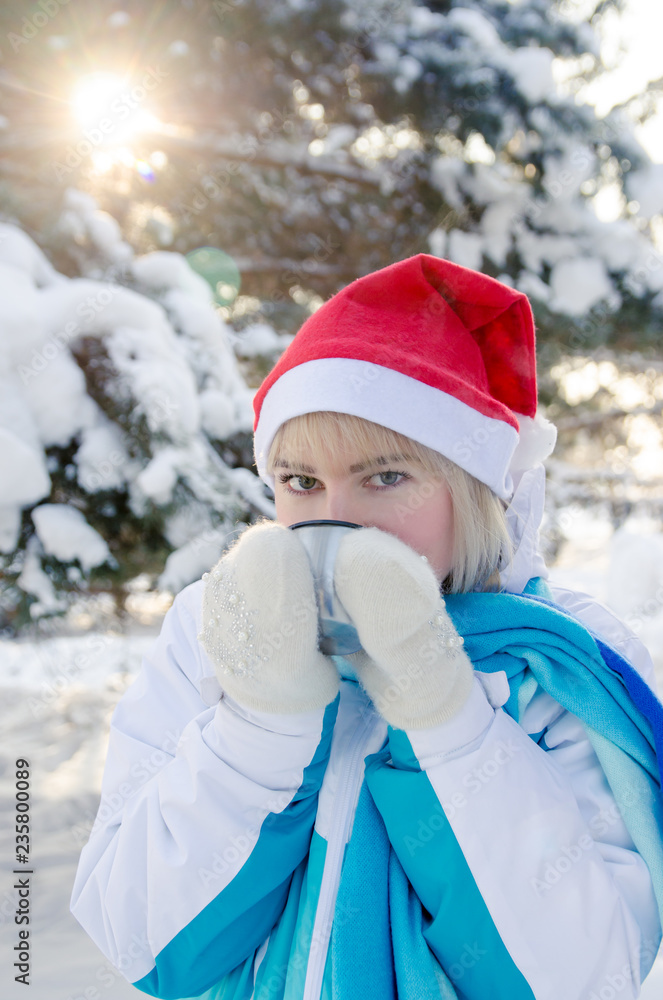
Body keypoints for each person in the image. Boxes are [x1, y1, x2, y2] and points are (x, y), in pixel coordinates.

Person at [71, 254, 663, 1000]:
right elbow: (145, 945)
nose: (334, 519)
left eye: (385, 476)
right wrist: (261, 724)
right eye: (301, 481)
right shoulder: (215, 632)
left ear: (473, 488)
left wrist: (443, 712)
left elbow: (587, 978)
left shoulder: (554, 665)